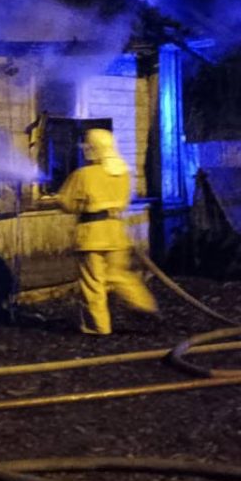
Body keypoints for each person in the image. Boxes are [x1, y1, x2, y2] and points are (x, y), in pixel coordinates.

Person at [53, 129, 157, 335]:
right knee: (118, 275)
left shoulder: (83, 175)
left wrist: (57, 197)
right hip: (116, 232)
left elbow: (67, 203)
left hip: (91, 235)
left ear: (94, 149)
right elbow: (124, 201)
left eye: (87, 146)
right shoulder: (123, 172)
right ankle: (144, 305)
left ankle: (98, 328)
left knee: (93, 283)